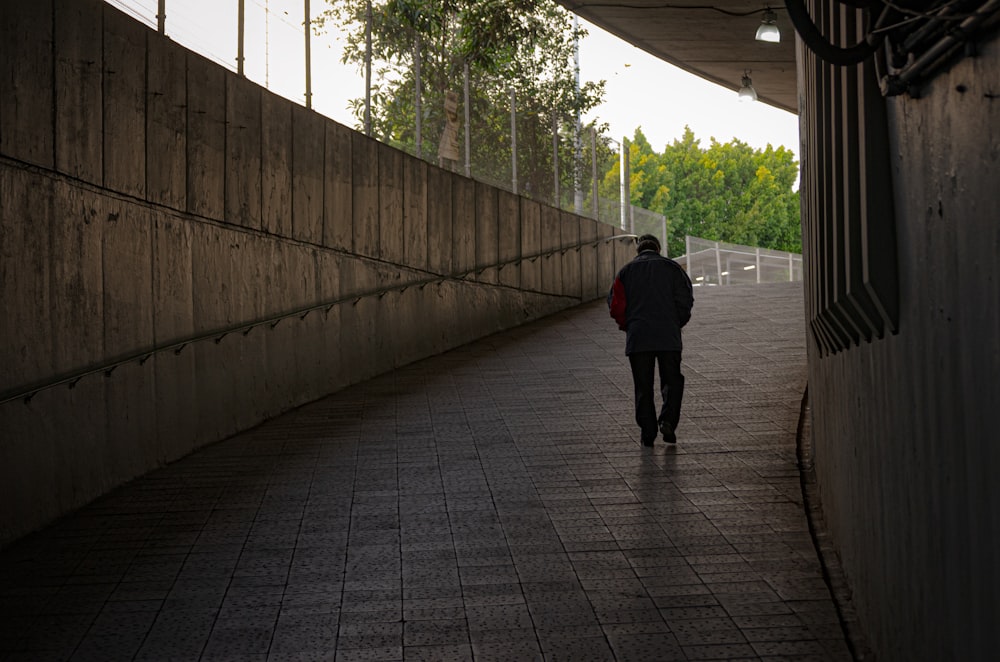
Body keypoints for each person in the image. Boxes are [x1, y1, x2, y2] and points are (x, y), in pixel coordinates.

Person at [608, 234, 694, 446]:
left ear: (638, 250)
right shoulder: (673, 269)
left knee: (643, 386)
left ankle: (648, 432)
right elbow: (686, 300)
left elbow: (616, 306)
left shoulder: (625, 272)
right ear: (658, 248)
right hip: (668, 335)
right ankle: (668, 421)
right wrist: (676, 323)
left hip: (639, 337)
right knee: (672, 381)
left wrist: (628, 325)